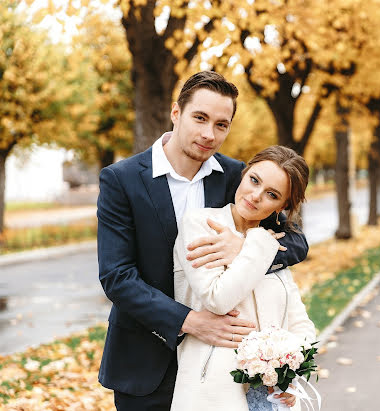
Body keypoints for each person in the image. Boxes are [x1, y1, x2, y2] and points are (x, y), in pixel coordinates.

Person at [96, 71, 309, 410]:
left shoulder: (237, 177)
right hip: (144, 361)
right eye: (200, 118)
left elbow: (296, 242)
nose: (209, 134)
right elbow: (117, 277)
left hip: (221, 371)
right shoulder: (121, 180)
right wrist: (191, 322)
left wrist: (245, 249)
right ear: (176, 113)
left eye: (221, 124)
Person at [171, 145, 316, 411]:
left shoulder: (275, 243)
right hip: (212, 393)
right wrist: (257, 243)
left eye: (271, 194)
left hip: (271, 399)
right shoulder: (201, 224)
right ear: (244, 173)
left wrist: (289, 372)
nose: (256, 195)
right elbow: (217, 299)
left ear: (282, 206)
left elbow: (300, 323)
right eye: (254, 180)